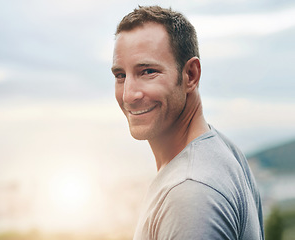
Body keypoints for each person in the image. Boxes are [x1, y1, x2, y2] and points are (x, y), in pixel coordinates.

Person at [111, 6, 264, 240]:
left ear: (190, 75)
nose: (128, 95)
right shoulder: (221, 150)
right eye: (121, 75)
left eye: (148, 71)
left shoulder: (190, 192)